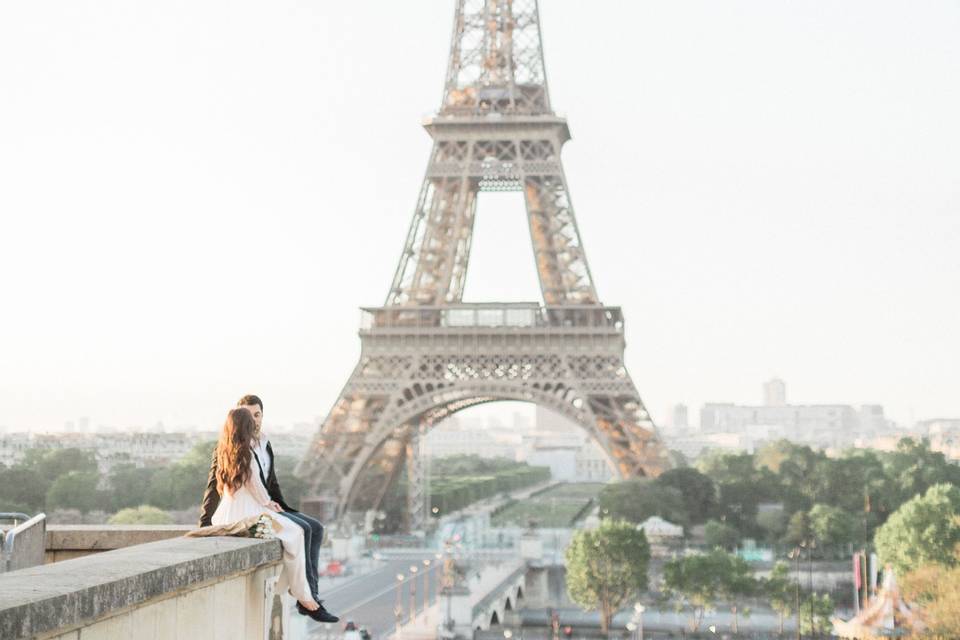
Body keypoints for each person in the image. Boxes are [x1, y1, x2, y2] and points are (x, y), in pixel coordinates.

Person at [203, 400, 338, 623]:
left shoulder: (231, 449)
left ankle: (304, 593)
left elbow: (259, 483)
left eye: (257, 415)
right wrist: (268, 503)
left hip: (240, 512)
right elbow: (255, 484)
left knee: (303, 531)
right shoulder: (244, 451)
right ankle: (304, 596)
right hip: (251, 515)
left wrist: (272, 503)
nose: (254, 422)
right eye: (250, 419)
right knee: (295, 534)